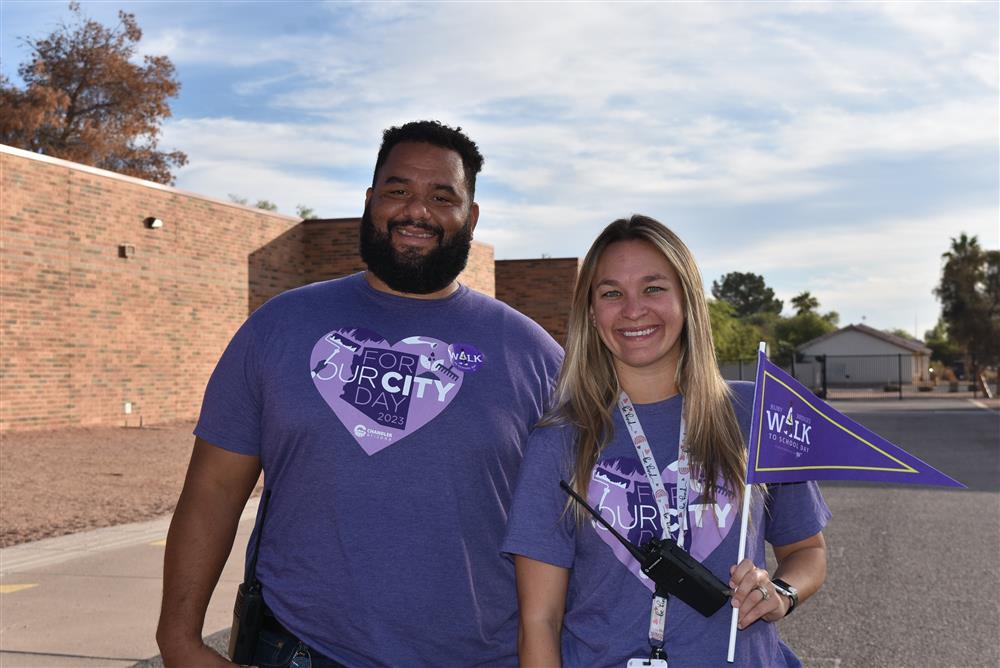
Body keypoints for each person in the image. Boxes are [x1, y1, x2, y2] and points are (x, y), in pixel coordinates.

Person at [156, 120, 563, 667]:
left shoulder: (533, 355)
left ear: (471, 215)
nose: (416, 211)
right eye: (398, 191)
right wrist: (178, 640)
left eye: (442, 197)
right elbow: (213, 490)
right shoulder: (279, 327)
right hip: (303, 650)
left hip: (479, 657)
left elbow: (576, 524)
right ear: (370, 200)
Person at [502, 215, 830, 667]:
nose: (633, 309)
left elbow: (807, 551)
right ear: (591, 313)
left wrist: (781, 593)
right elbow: (540, 619)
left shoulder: (756, 415)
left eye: (654, 288)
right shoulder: (561, 439)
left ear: (687, 300)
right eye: (612, 292)